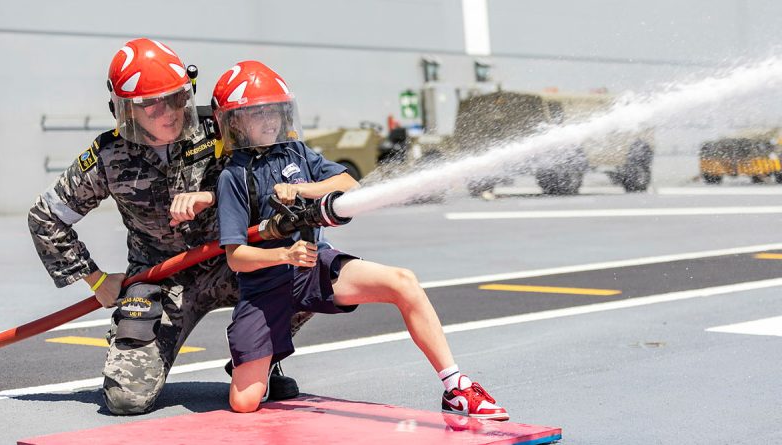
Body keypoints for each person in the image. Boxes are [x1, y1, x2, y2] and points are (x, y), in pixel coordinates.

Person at [212, 60, 510, 420]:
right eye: (257, 113)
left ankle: (456, 387)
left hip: (313, 266)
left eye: (275, 110)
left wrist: (302, 189)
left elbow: (348, 185)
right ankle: (262, 358)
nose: (270, 119)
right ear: (234, 121)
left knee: (403, 282)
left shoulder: (296, 152)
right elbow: (236, 257)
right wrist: (285, 255)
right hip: (265, 286)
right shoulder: (234, 176)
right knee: (245, 402)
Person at [27, 39, 308, 415]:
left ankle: (257, 357)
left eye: (176, 97)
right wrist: (94, 278)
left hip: (232, 260)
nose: (168, 111)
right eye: (150, 104)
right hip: (162, 277)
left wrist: (213, 197)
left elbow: (275, 179)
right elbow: (46, 215)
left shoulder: (222, 129)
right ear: (125, 110)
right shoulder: (109, 155)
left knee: (307, 278)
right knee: (126, 400)